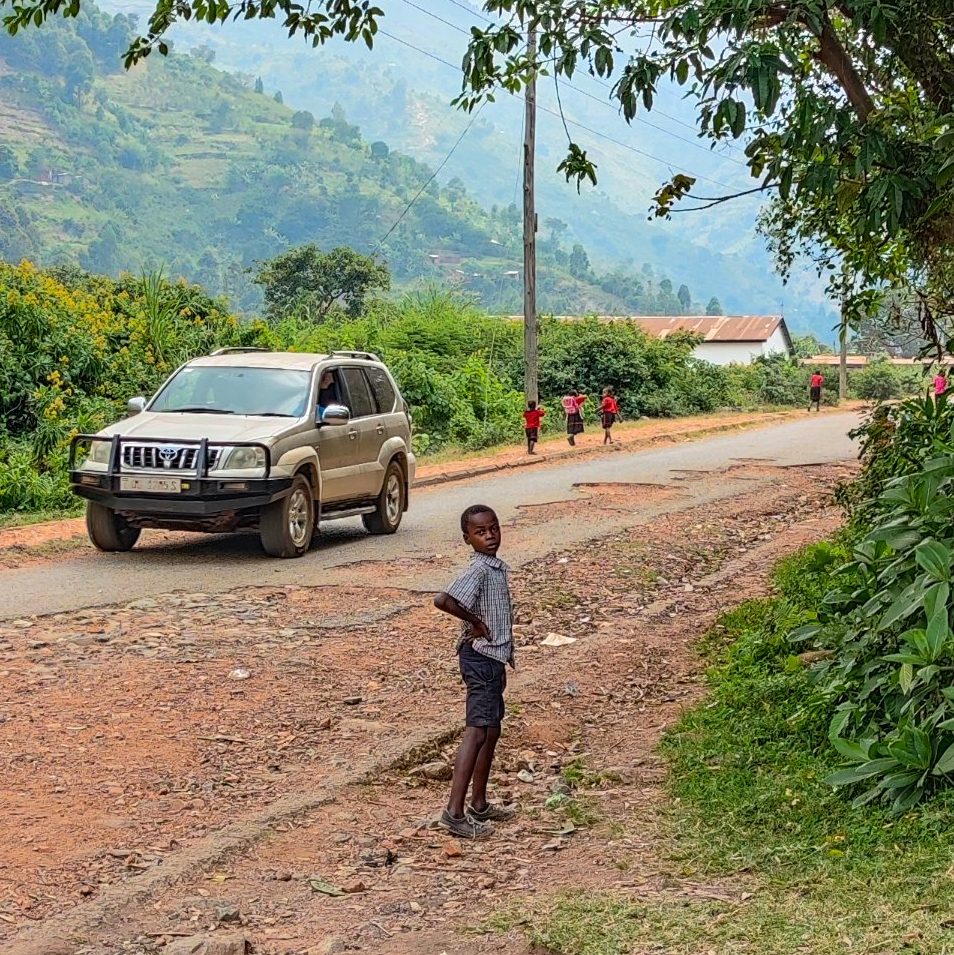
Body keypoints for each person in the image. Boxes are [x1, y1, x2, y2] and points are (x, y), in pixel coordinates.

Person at [434, 505, 515, 839]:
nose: (490, 536)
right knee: (477, 730)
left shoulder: (495, 568)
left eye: (494, 529)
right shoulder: (478, 569)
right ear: (467, 538)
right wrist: (477, 623)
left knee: (491, 729)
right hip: (480, 657)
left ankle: (478, 803)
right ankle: (454, 812)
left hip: (494, 657)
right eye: (481, 532)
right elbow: (443, 599)